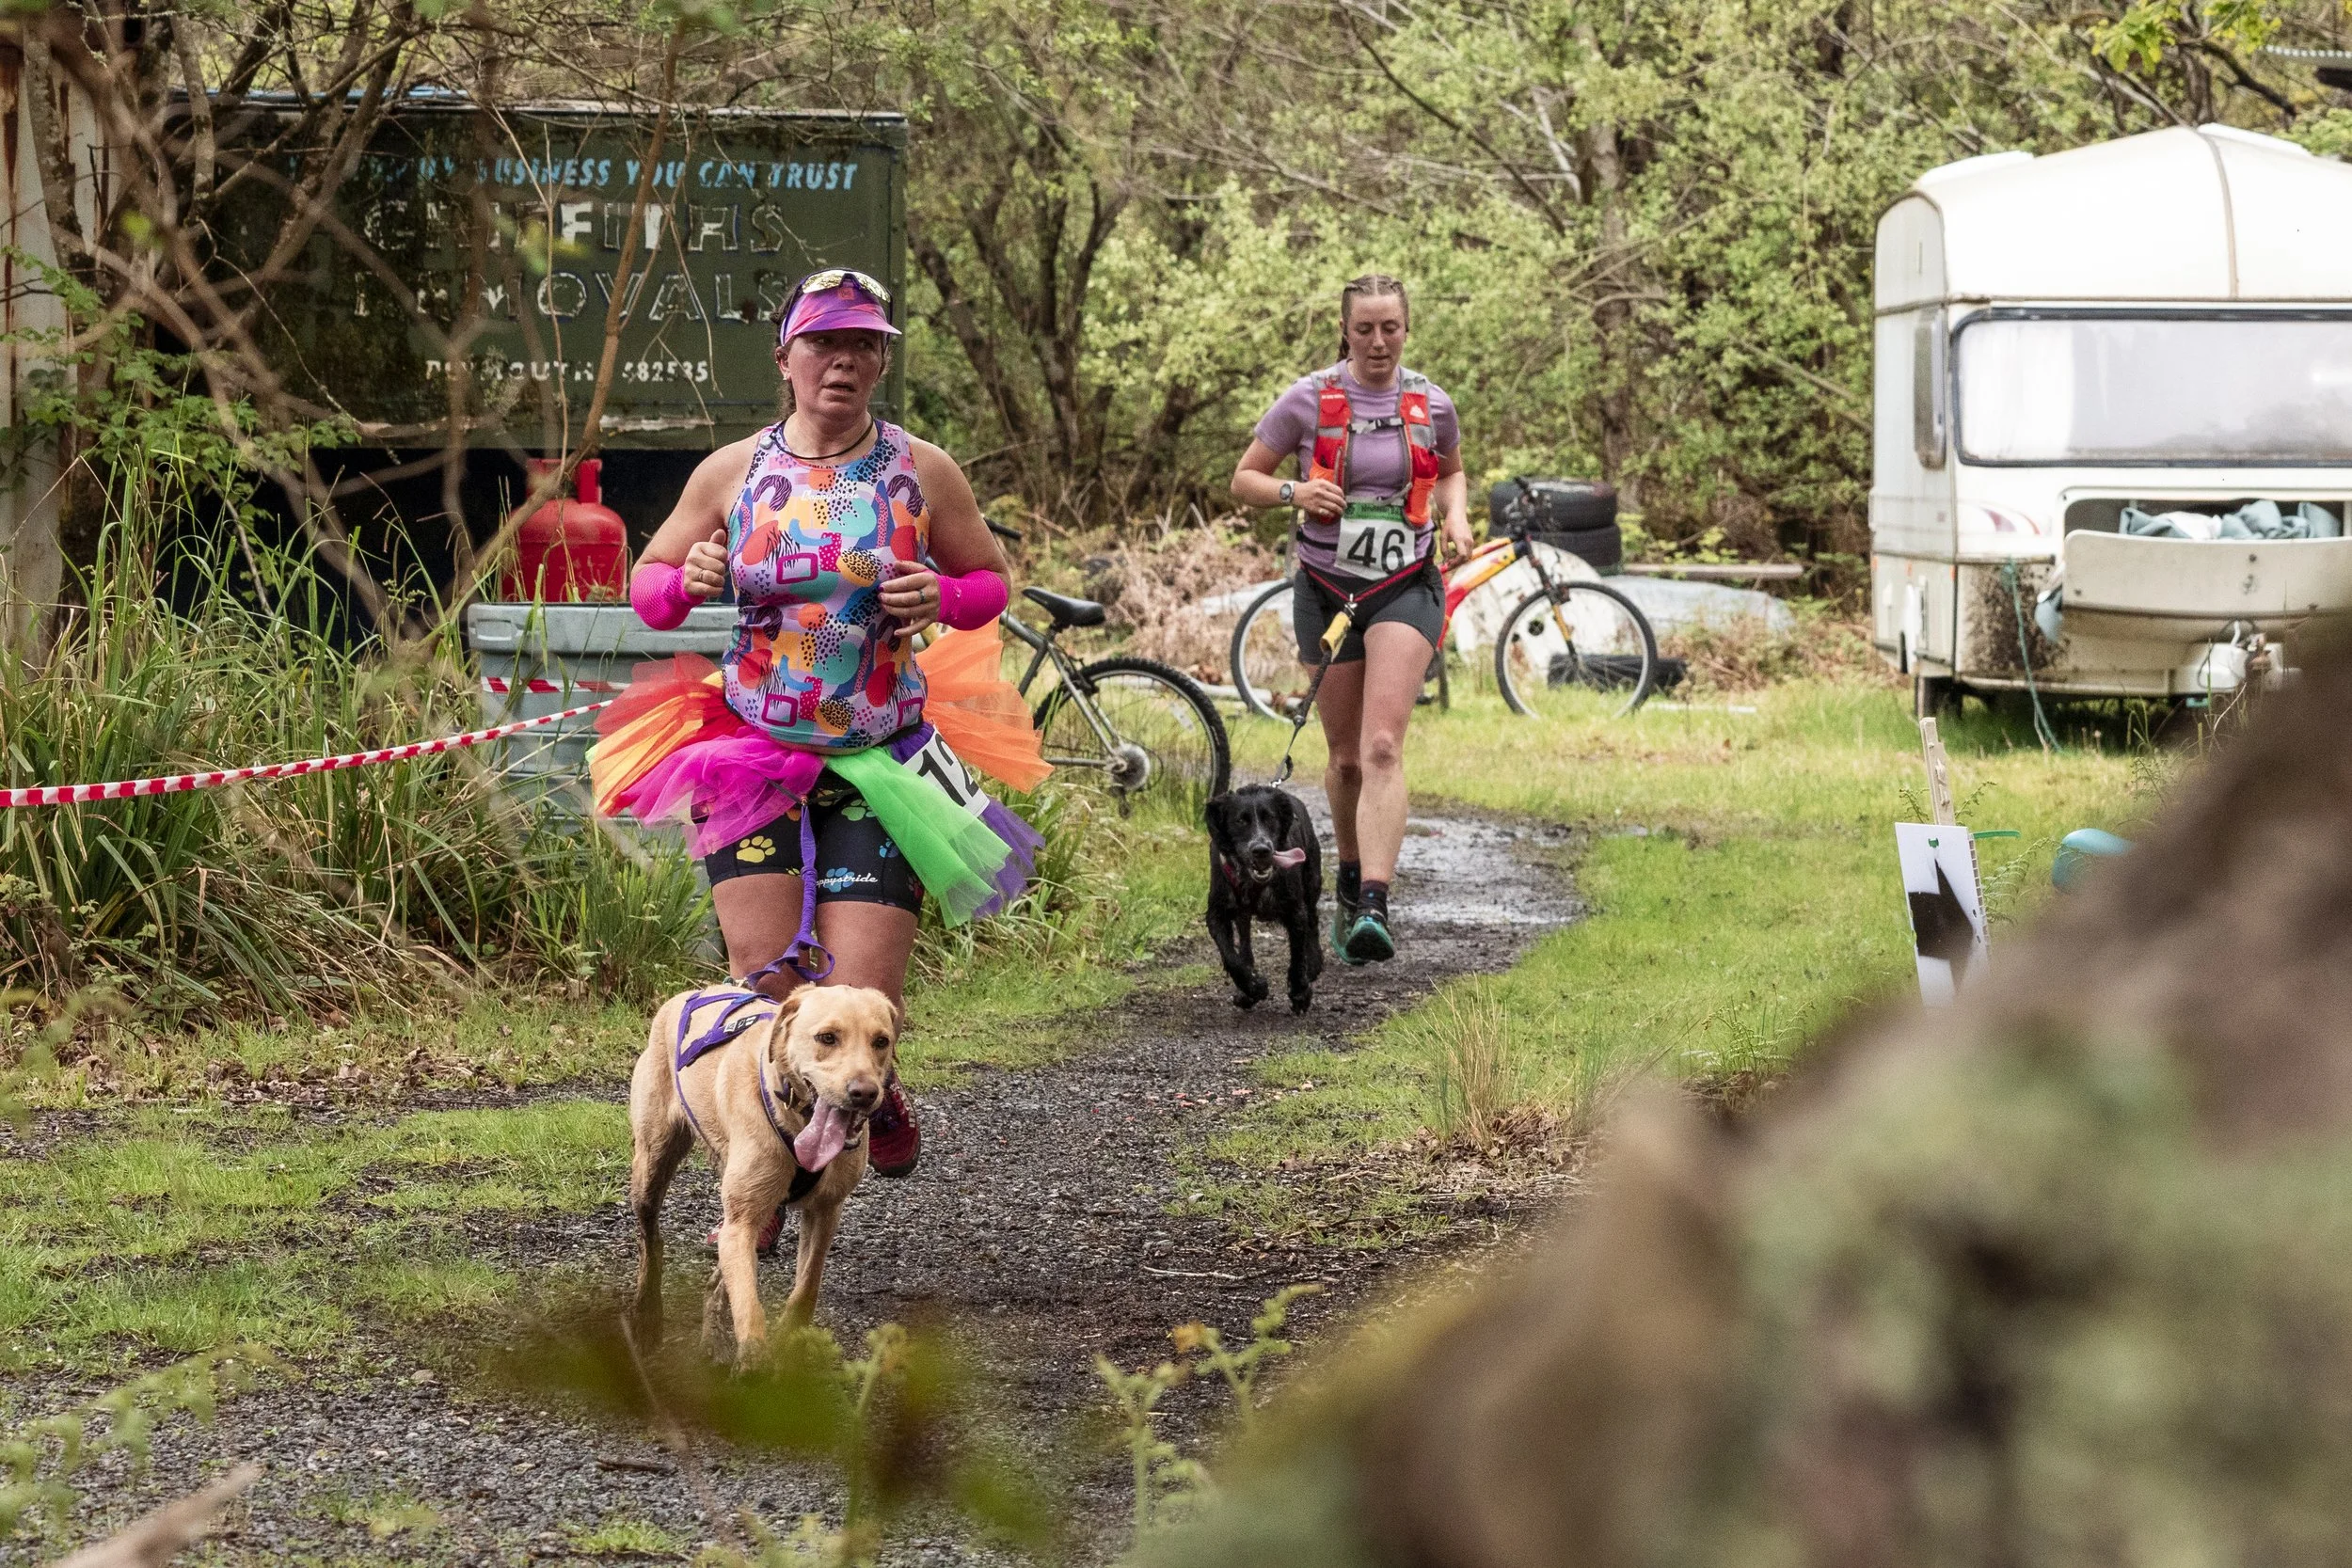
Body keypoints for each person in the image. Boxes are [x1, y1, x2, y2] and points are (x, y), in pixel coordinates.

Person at [589, 268, 1049, 1217]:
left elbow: (991, 581)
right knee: (769, 989)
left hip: (881, 756)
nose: (843, 360)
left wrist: (945, 598)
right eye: (824, 342)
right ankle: (760, 1200)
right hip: (750, 744)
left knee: (858, 1003)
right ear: (787, 356)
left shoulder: (921, 468)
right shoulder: (733, 470)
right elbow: (649, 583)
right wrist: (690, 580)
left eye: (864, 344)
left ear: (882, 359)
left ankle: (861, 1110)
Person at [1231, 274, 1474, 964]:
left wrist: (1454, 514)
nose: (1377, 341)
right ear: (1346, 329)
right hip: (1328, 586)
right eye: (1364, 328)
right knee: (1343, 759)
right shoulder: (1308, 399)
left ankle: (1375, 901)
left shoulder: (1430, 402)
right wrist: (1295, 489)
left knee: (1383, 747)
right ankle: (1343, 876)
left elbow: (1452, 471)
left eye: (1389, 327)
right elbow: (1243, 478)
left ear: (1406, 328)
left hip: (1406, 582)